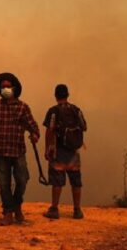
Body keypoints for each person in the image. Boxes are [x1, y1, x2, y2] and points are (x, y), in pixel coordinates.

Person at [0, 72, 40, 225]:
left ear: (14, 88)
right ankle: (8, 212)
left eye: (8, 87)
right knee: (3, 184)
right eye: (2, 87)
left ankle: (17, 205)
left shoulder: (23, 107)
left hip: (18, 151)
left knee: (22, 180)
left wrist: (34, 135)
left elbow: (34, 127)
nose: (5, 89)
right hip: (0, 151)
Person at [43, 84, 87, 220]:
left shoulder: (53, 111)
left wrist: (47, 149)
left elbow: (49, 131)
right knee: (76, 181)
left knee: (57, 182)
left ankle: (54, 209)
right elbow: (84, 127)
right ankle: (77, 210)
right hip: (74, 152)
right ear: (67, 95)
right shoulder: (75, 110)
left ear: (55, 96)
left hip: (58, 150)